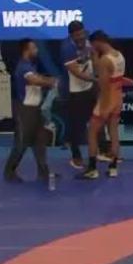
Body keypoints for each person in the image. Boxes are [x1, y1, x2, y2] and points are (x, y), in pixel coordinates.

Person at [4, 39, 56, 183]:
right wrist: (51, 81)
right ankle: (9, 171)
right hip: (25, 110)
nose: (37, 50)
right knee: (21, 143)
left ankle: (43, 172)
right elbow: (34, 80)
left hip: (35, 108)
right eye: (34, 48)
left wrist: (48, 80)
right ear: (26, 50)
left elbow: (37, 78)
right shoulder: (23, 67)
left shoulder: (31, 65)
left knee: (40, 141)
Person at [79, 31, 125, 180]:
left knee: (92, 132)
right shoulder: (119, 55)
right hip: (118, 98)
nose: (92, 47)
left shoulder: (105, 60)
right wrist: (94, 56)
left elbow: (103, 84)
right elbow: (109, 74)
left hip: (107, 100)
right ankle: (113, 168)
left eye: (93, 44)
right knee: (113, 132)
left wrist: (104, 107)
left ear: (97, 42)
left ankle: (92, 169)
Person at [58, 21, 95, 170]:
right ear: (71, 36)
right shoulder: (66, 48)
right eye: (77, 35)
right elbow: (76, 72)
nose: (81, 37)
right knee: (76, 126)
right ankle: (76, 156)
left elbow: (93, 55)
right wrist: (97, 80)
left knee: (97, 119)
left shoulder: (88, 40)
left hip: (89, 88)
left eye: (82, 33)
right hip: (72, 91)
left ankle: (101, 150)